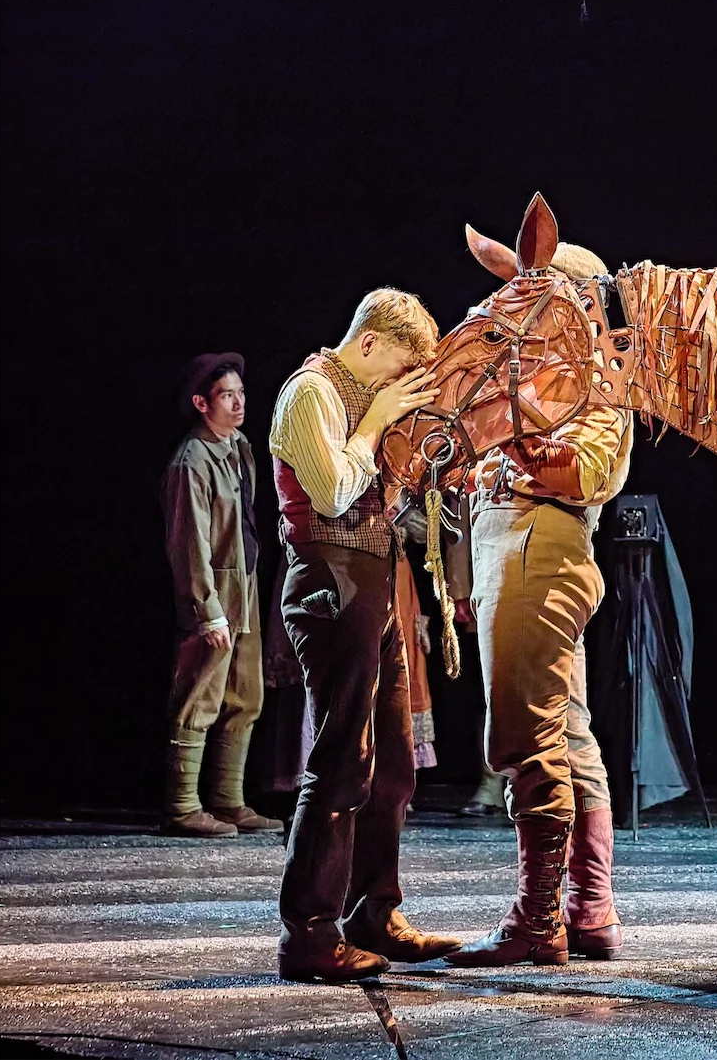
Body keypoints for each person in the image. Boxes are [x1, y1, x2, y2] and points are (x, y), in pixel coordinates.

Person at [448, 240, 633, 968]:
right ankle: (591, 908)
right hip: (516, 552)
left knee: (528, 737)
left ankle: (537, 917)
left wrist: (508, 431)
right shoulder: (536, 379)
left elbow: (588, 471)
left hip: (538, 553)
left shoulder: (592, 384)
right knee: (568, 730)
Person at [271, 289, 460, 983]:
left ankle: (374, 913)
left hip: (374, 580)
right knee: (341, 760)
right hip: (330, 581)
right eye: (398, 372)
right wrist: (377, 420)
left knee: (393, 765)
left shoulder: (368, 399)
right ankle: (309, 935)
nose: (399, 388)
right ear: (371, 343)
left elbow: (387, 497)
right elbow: (331, 492)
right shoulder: (311, 392)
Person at [159, 354, 281, 838]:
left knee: (245, 694)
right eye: (227, 395)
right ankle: (181, 806)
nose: (239, 403)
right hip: (212, 594)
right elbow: (189, 543)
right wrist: (207, 611)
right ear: (201, 403)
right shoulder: (192, 461)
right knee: (200, 694)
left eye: (241, 393)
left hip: (243, 585)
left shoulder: (239, 447)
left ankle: (229, 800)